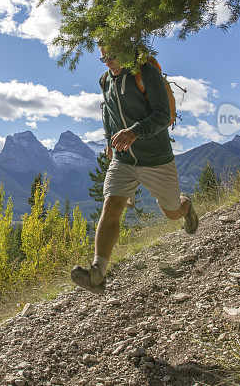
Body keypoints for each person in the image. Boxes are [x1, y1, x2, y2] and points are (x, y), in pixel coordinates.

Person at [70, 43, 198, 293]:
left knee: (172, 212)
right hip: (124, 159)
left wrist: (134, 132)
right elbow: (108, 112)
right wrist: (110, 141)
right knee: (111, 205)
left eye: (113, 55)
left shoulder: (145, 73)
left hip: (156, 158)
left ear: (127, 49)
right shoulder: (105, 80)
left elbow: (162, 116)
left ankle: (187, 207)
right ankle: (97, 273)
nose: (108, 62)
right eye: (103, 58)